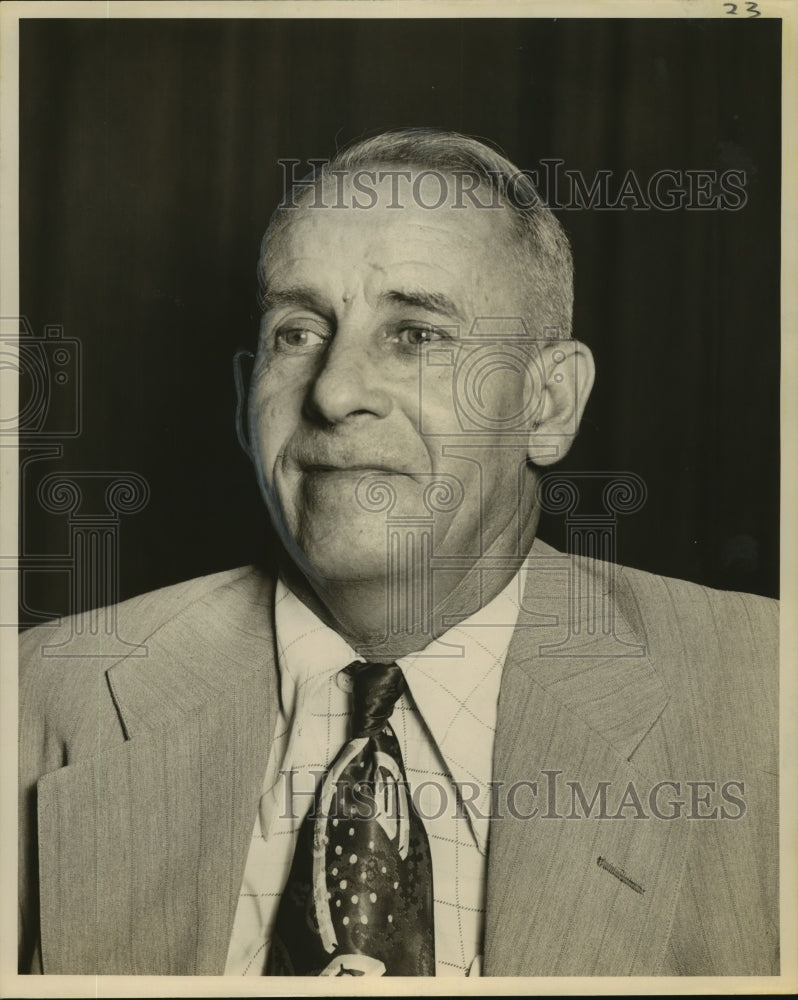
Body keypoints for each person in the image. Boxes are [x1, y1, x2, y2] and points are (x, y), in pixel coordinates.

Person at [18, 129, 778, 977]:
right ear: (243, 402)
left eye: (416, 335)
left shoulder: (764, 697)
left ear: (548, 402)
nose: (336, 393)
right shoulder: (41, 700)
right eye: (298, 333)